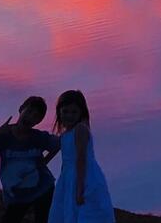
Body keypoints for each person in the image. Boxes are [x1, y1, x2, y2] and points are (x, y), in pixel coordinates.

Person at [0, 96, 62, 223]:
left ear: (38, 121)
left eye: (36, 116)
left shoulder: (38, 137)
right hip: (18, 194)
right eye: (29, 112)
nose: (30, 117)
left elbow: (59, 143)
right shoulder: (5, 135)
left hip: (43, 188)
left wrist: (45, 161)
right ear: (21, 109)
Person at [48, 90, 114, 223]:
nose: (69, 116)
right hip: (69, 176)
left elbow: (81, 159)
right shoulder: (66, 133)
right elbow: (65, 159)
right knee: (67, 212)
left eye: (74, 112)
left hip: (83, 177)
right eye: (65, 111)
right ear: (59, 112)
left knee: (85, 211)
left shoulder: (80, 129)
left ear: (81, 113)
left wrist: (79, 188)